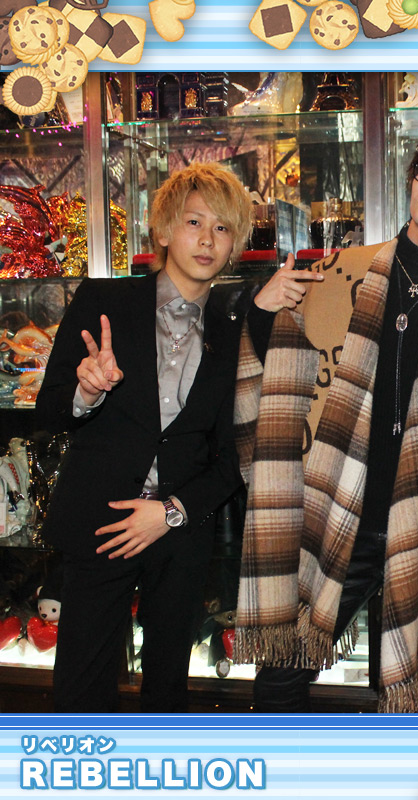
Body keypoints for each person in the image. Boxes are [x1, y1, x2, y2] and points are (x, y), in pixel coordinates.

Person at [233, 125, 418, 713]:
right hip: (333, 513)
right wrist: (261, 311)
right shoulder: (337, 272)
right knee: (279, 682)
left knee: (404, 693)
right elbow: (279, 370)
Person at [36, 162, 254, 712]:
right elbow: (50, 408)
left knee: (168, 689)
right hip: (99, 521)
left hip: (180, 532)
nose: (207, 239)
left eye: (222, 228)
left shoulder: (237, 331)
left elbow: (235, 453)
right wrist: (86, 392)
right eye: (194, 222)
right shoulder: (103, 302)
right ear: (162, 230)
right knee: (81, 686)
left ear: (235, 245)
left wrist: (172, 512)